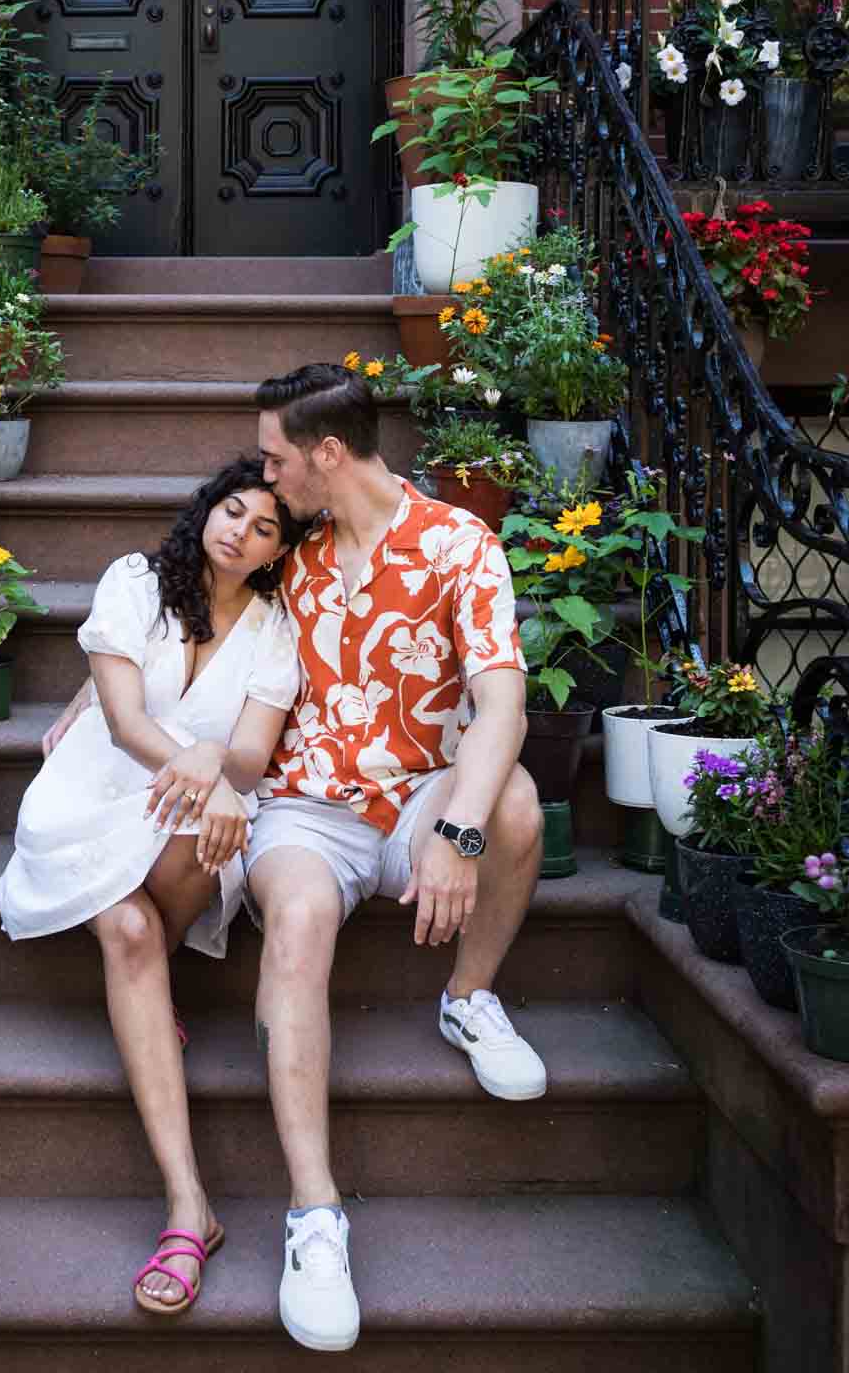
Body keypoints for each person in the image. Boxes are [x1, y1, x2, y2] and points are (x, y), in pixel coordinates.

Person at [246, 361, 544, 1353]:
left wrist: (457, 831)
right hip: (305, 801)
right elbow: (182, 606)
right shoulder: (285, 544)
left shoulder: (460, 543)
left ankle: (466, 995)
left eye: (276, 457)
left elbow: (501, 698)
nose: (266, 473)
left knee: (516, 802)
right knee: (294, 919)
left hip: (421, 789)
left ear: (327, 453)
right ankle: (314, 1214)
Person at [0, 456, 306, 1319]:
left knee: (193, 853)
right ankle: (187, 1204)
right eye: (229, 509)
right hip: (97, 789)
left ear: (278, 551)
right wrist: (207, 775)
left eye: (262, 527)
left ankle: (185, 1205)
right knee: (130, 931)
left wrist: (216, 769)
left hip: (189, 814)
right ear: (205, 508)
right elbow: (126, 722)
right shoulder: (136, 581)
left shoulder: (275, 627)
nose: (236, 531)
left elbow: (251, 751)